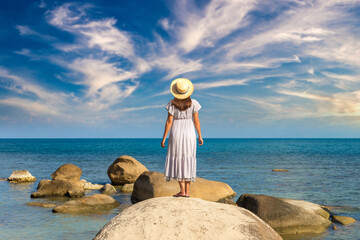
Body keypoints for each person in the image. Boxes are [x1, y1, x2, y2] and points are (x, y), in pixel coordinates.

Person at [161, 78, 203, 198]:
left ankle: (182, 191)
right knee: (188, 159)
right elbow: (196, 121)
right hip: (190, 132)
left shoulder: (171, 104)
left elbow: (169, 121)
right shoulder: (194, 103)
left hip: (176, 132)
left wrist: (164, 138)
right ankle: (187, 192)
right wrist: (200, 135)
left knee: (178, 159)